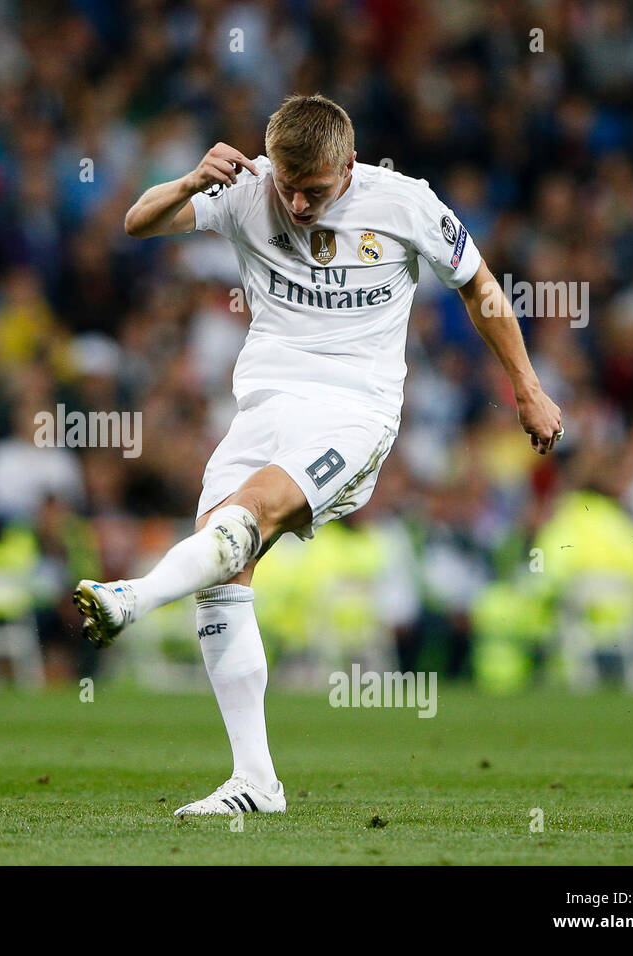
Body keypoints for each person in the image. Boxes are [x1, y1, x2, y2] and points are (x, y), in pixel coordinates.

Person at [72, 94, 563, 816]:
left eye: (315, 190)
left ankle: (134, 597)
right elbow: (136, 224)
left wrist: (526, 385)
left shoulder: (406, 204)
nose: (297, 203)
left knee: (241, 521)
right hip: (262, 411)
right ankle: (256, 781)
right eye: (287, 186)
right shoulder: (245, 192)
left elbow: (480, 287)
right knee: (223, 568)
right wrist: (185, 182)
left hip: (353, 412)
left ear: (348, 165)